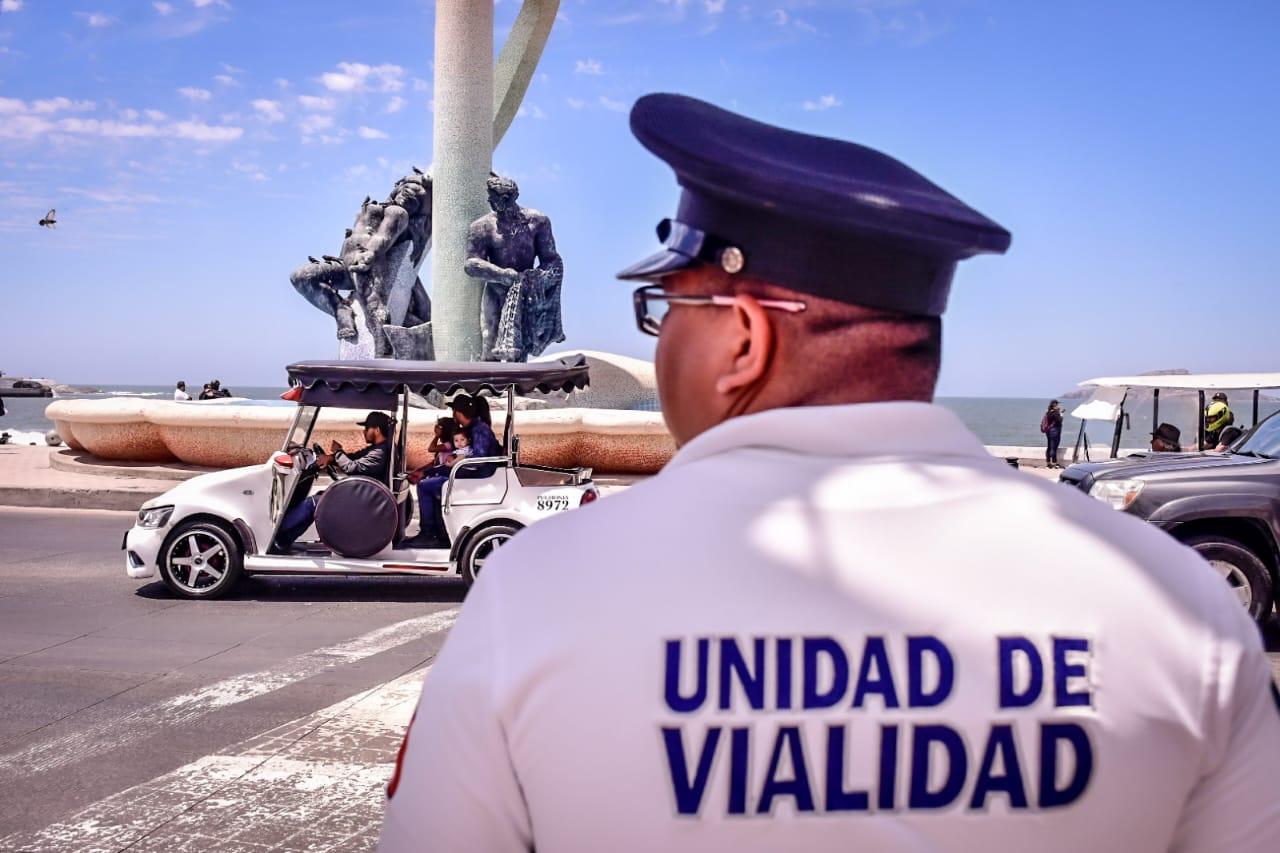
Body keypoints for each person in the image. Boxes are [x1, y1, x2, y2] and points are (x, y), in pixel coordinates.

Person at [379, 94, 1280, 852]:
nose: (659, 343)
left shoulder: (541, 589)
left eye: (667, 310)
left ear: (744, 337)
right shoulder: (1177, 600)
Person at [273, 411, 392, 552]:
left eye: (367, 429)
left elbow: (352, 467)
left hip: (364, 503)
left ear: (377, 430)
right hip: (362, 497)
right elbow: (353, 458)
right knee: (320, 496)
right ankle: (284, 540)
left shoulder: (379, 453)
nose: (364, 432)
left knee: (313, 503)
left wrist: (337, 452)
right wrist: (331, 458)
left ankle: (277, 532)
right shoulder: (376, 450)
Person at [403, 396, 500, 548]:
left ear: (458, 412)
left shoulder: (479, 430)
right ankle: (441, 534)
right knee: (430, 481)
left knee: (424, 486)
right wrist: (429, 472)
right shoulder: (470, 430)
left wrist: (441, 470)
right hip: (470, 475)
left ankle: (428, 534)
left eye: (454, 410)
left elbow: (477, 461)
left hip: (477, 478)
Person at [1040, 399, 1063, 468]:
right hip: (1055, 431)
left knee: (1049, 447)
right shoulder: (1055, 413)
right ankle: (1054, 463)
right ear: (1054, 405)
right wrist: (1061, 414)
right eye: (1057, 404)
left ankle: (1048, 463)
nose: (1059, 405)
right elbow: (1059, 421)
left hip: (1048, 431)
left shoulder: (1048, 412)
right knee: (1054, 447)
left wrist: (1058, 412)